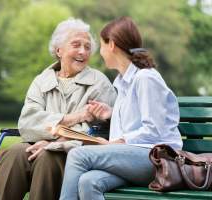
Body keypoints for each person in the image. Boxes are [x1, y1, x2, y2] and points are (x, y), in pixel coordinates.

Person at [0, 18, 117, 200]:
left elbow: (101, 132)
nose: (83, 51)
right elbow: (27, 122)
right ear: (59, 50)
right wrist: (75, 117)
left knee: (48, 158)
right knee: (14, 154)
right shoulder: (41, 81)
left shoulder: (99, 83)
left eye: (87, 47)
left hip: (73, 152)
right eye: (76, 45)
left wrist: (54, 143)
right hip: (36, 144)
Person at [58, 16, 183, 200]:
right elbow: (134, 122)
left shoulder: (145, 78)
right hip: (135, 160)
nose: (99, 52)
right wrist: (111, 114)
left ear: (112, 45)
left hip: (156, 160)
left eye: (101, 46)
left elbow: (155, 130)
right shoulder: (123, 83)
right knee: (88, 182)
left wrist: (120, 142)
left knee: (78, 155)